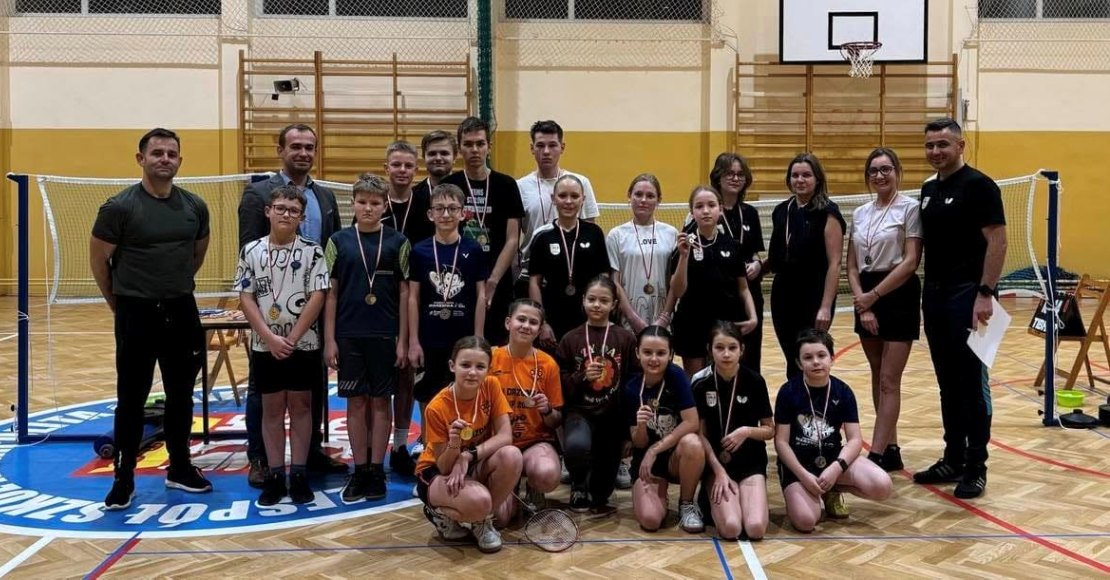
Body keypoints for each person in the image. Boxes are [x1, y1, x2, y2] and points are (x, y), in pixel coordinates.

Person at [91, 128, 212, 509]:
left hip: (181, 309)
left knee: (181, 394)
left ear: (180, 161)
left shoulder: (195, 206)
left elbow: (196, 254)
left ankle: (180, 467)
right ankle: (123, 477)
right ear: (140, 159)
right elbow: (99, 261)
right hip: (135, 312)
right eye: (157, 153)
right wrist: (120, 303)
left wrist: (171, 286)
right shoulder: (119, 208)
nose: (165, 159)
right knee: (131, 398)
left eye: (171, 154)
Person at [238, 123, 346, 486]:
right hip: (270, 315)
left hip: (314, 310)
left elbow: (333, 253)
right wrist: (263, 324)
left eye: (309, 147)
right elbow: (248, 252)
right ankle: (260, 459)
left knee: (311, 387)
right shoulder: (258, 194)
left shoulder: (325, 197)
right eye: (296, 146)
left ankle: (309, 452)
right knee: (263, 391)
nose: (303, 152)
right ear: (281, 150)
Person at [912, 118, 1006, 500]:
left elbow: (998, 241)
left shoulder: (980, 186)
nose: (936, 151)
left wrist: (985, 293)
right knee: (947, 383)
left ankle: (976, 466)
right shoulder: (928, 189)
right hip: (935, 298)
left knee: (972, 385)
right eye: (930, 145)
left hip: (970, 297)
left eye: (943, 145)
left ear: (960, 146)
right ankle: (952, 458)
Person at [237, 185, 330, 506]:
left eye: (293, 211)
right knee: (272, 409)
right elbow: (246, 297)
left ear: (302, 217)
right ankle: (276, 475)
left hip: (303, 344)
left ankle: (299, 473)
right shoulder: (251, 251)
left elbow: (318, 295)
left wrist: (292, 338)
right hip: (266, 345)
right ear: (268, 211)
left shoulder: (313, 252)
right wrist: (268, 337)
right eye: (280, 208)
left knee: (302, 407)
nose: (286, 214)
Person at [323, 175, 411, 502]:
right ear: (353, 204)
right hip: (349, 335)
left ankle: (376, 469)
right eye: (362, 202)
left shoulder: (398, 242)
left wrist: (403, 340)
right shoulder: (338, 241)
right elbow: (330, 294)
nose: (368, 208)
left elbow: (405, 294)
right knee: (356, 402)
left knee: (381, 402)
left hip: (385, 335)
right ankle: (359, 469)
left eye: (375, 203)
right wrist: (330, 339)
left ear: (385, 206)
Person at [846, 148, 922, 472]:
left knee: (890, 380)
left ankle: (875, 455)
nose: (880, 175)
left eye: (886, 169)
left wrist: (874, 296)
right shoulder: (860, 213)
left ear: (897, 171)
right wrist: (863, 303)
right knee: (878, 376)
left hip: (898, 293)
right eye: (874, 171)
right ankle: (891, 448)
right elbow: (851, 265)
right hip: (866, 295)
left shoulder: (910, 208)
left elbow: (911, 261)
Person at [774, 329, 892, 532]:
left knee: (883, 486)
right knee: (806, 521)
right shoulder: (788, 392)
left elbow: (855, 440)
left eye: (821, 355)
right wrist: (803, 476)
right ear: (799, 363)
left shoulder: (843, 391)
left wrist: (836, 468)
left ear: (832, 358)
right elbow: (781, 442)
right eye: (808, 357)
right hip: (799, 466)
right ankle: (808, 493)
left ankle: (832, 490)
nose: (816, 362)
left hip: (832, 461)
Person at [416, 336, 523, 553]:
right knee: (481, 502)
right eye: (465, 365)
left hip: (471, 461)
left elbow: (505, 436)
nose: (472, 372)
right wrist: (455, 444)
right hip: (437, 472)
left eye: (480, 367)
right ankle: (440, 512)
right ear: (452, 366)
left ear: (488, 370)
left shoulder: (491, 386)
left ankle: (481, 521)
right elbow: (444, 466)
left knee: (512, 455)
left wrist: (468, 455)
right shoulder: (436, 407)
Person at [407, 184, 488, 452]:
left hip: (462, 337)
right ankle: (428, 442)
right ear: (430, 214)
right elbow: (413, 298)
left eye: (452, 209)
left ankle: (462, 443)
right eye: (440, 209)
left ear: (463, 213)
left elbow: (481, 295)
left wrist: (478, 338)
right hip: (429, 336)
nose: (445, 214)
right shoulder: (419, 251)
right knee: (427, 390)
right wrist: (413, 341)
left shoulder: (473, 249)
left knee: (462, 389)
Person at [557, 275, 638, 511]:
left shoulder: (625, 338)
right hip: (580, 412)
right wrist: (582, 376)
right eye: (591, 299)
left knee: (601, 494)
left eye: (604, 301)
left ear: (614, 304)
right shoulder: (570, 338)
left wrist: (628, 430)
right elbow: (562, 385)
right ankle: (578, 483)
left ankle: (597, 483)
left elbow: (633, 384)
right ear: (583, 300)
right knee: (577, 446)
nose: (597, 305)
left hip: (612, 415)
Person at [760, 154, 846, 378]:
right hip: (783, 296)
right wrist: (758, 267)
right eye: (795, 175)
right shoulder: (781, 211)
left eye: (806, 175)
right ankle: (795, 400)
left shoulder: (828, 213)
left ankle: (814, 398)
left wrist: (825, 306)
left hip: (814, 296)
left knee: (810, 356)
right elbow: (778, 255)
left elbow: (835, 263)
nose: (800, 180)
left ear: (817, 178)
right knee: (793, 359)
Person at [443, 117, 525, 345]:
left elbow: (512, 239)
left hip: (498, 280)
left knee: (495, 345)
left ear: (489, 146)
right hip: (458, 277)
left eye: (480, 143)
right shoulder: (449, 185)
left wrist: (493, 281)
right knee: (460, 344)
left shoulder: (506, 185)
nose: (475, 150)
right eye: (468, 144)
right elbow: (443, 234)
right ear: (460, 148)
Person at [691, 322, 773, 540]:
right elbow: (699, 434)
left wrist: (746, 431)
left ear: (742, 350)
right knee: (731, 527)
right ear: (710, 349)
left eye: (732, 347)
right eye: (719, 347)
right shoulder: (700, 382)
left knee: (755, 528)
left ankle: (747, 499)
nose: (726, 354)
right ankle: (707, 498)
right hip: (716, 463)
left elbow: (769, 430)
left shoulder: (755, 381)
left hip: (750, 462)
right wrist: (718, 471)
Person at [379, 140, 431, 477]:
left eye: (408, 165)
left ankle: (400, 445)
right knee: (381, 380)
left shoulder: (426, 205)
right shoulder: (373, 203)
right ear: (386, 168)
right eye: (396, 165)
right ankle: (375, 448)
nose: (402, 170)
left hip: (416, 300)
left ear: (416, 169)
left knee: (407, 376)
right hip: (379, 302)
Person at [669, 185, 757, 376]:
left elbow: (743, 288)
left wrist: (753, 317)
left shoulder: (733, 245)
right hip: (692, 323)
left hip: (725, 322)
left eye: (711, 205)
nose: (706, 211)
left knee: (725, 377)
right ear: (692, 212)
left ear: (720, 209)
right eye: (699, 206)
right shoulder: (682, 246)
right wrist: (684, 256)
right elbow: (678, 291)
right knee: (695, 381)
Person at [625, 325, 705, 533]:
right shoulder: (631, 388)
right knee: (651, 520)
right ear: (637, 353)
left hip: (674, 457)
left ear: (670, 355)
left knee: (693, 443)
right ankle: (658, 494)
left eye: (661, 353)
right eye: (647, 352)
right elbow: (639, 443)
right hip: (647, 463)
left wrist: (655, 449)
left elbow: (692, 422)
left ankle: (686, 503)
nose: (654, 359)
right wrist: (641, 425)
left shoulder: (677, 376)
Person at [489, 299, 563, 519]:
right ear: (508, 323)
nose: (526, 326)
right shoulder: (490, 358)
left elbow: (556, 420)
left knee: (547, 473)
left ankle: (534, 487)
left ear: (539, 331)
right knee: (501, 518)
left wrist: (547, 410)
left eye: (533, 322)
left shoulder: (548, 364)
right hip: (499, 445)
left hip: (534, 442)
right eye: (521, 319)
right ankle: (509, 484)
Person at [515, 120, 601, 296]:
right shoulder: (520, 187)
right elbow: (513, 237)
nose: (546, 151)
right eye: (540, 145)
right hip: (530, 274)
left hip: (572, 273)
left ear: (562, 147)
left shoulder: (581, 183)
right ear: (532, 148)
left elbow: (589, 231)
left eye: (552, 145)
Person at [527, 175, 611, 341]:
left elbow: (604, 276)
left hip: (588, 316)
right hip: (553, 317)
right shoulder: (542, 237)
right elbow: (534, 283)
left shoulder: (594, 233)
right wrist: (542, 322)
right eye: (562, 195)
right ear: (553, 199)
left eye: (574, 196)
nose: (568, 201)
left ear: (583, 199)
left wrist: (600, 316)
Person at [708, 153, 767, 373]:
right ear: (718, 177)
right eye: (729, 173)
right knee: (721, 355)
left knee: (750, 357)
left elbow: (755, 253)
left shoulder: (750, 213)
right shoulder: (708, 211)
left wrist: (758, 264)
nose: (735, 178)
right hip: (720, 296)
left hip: (749, 294)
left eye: (740, 174)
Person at [606, 173, 681, 334]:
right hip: (628, 322)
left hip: (663, 320)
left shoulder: (671, 233)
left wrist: (664, 318)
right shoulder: (616, 235)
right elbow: (614, 281)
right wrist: (633, 319)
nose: (643, 200)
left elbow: (674, 282)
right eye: (638, 194)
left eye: (650, 196)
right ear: (629, 196)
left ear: (659, 200)